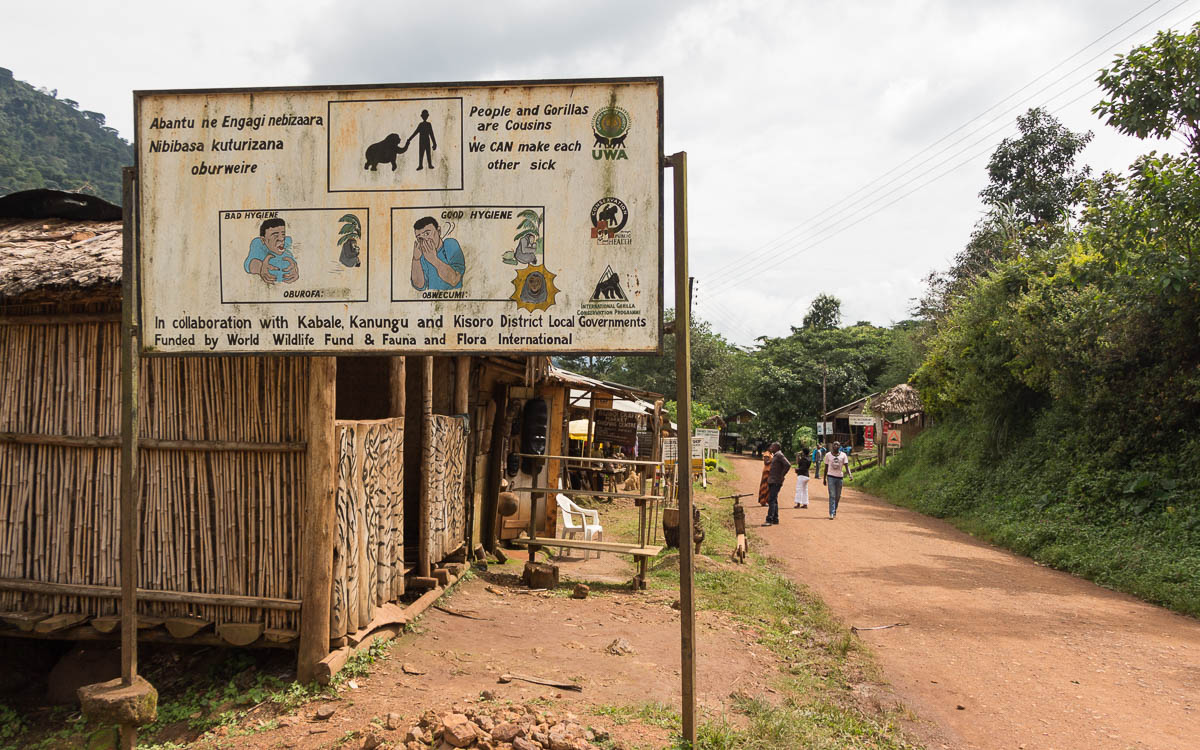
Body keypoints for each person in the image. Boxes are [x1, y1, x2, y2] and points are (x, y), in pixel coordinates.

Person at [410, 216, 464, 290]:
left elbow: (455, 279)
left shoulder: (450, 244)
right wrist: (416, 259)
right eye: (420, 238)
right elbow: (419, 286)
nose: (425, 240)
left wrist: (434, 260)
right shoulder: (422, 256)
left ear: (438, 231)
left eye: (427, 234)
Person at [244, 218, 299, 284]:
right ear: (263, 240)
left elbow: (292, 257)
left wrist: (295, 268)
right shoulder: (258, 243)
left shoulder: (287, 241)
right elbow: (249, 264)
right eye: (275, 235)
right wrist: (260, 267)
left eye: (283, 234)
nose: (281, 239)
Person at [822, 440, 853, 519]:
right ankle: (831, 513)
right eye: (834, 445)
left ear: (840, 447)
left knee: (838, 496)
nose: (836, 446)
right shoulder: (828, 455)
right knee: (832, 495)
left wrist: (850, 475)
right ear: (832, 446)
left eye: (837, 445)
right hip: (830, 477)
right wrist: (824, 478)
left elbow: (846, 466)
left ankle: (834, 510)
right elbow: (826, 467)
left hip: (839, 477)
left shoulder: (843, 455)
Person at [763, 441, 790, 526]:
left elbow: (788, 465)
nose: (771, 447)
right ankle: (775, 519)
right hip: (773, 480)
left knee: (771, 500)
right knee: (774, 500)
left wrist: (782, 475)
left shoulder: (779, 455)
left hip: (776, 481)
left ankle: (769, 519)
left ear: (777, 447)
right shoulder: (775, 455)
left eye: (773, 446)